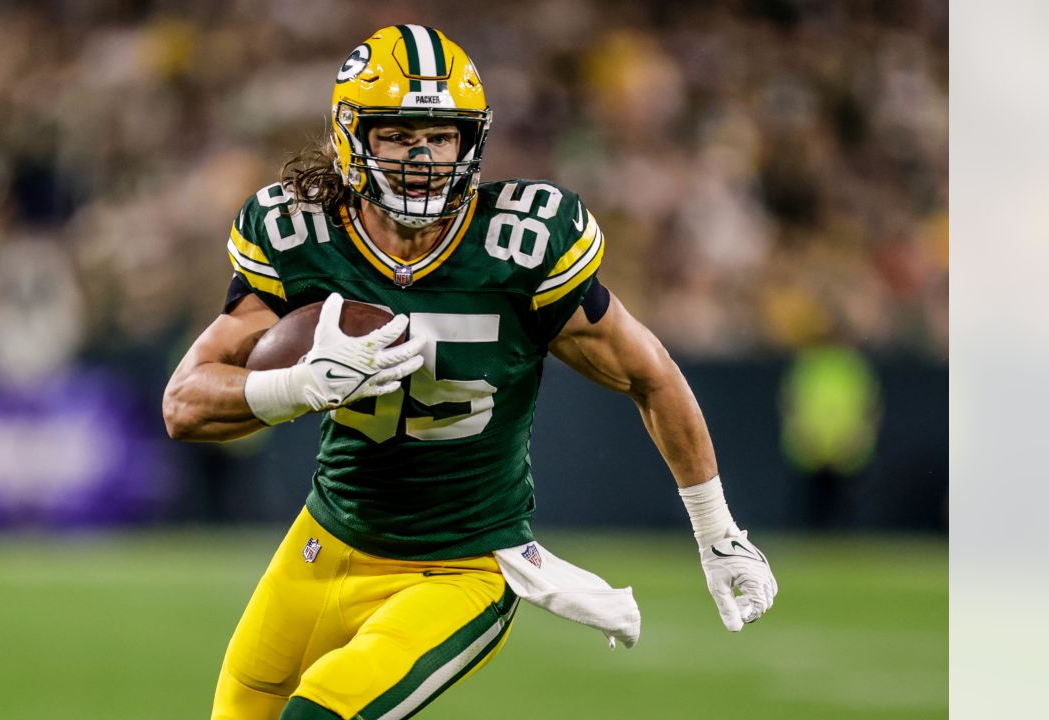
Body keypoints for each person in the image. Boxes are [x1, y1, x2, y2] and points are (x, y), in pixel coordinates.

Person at [163, 24, 778, 720]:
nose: (424, 155)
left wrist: (717, 531)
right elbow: (184, 403)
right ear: (350, 137)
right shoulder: (305, 235)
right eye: (398, 134)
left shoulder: (521, 244)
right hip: (326, 539)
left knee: (319, 715)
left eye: (443, 135)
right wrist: (297, 386)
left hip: (461, 567)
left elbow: (651, 375)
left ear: (472, 142)